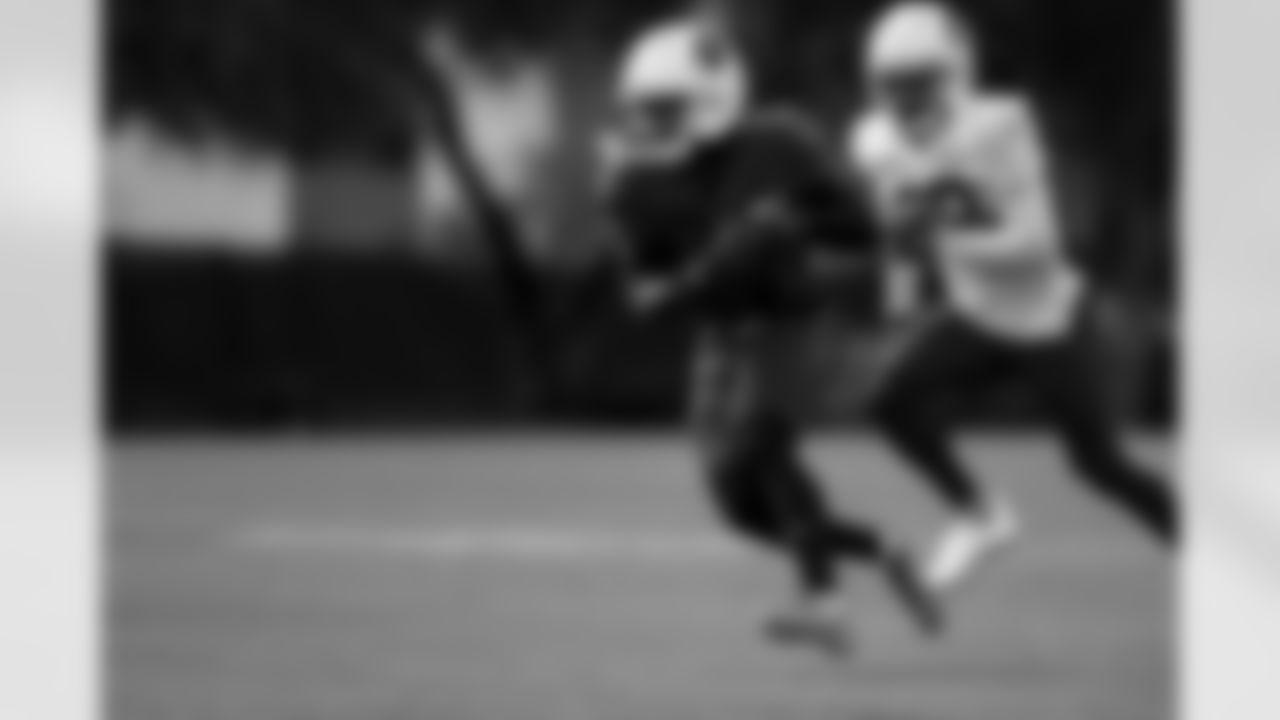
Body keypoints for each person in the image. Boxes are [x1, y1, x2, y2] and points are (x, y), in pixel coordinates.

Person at [599, 16, 942, 655]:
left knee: (763, 446)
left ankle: (824, 604)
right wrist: (707, 273)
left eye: (665, 109)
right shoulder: (636, 183)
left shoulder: (779, 146)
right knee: (739, 506)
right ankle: (885, 552)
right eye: (643, 109)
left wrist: (793, 239)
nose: (649, 123)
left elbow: (866, 236)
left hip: (795, 326)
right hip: (721, 338)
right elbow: (643, 300)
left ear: (713, 101)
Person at [844, 1, 1178, 594]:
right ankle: (981, 514)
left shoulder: (998, 126)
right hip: (976, 316)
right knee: (887, 402)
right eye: (894, 83)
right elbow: (898, 232)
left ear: (955, 75)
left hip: (1048, 323)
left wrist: (938, 238)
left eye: (920, 81)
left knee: (1099, 466)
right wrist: (897, 302)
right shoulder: (875, 142)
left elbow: (1035, 245)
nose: (907, 97)